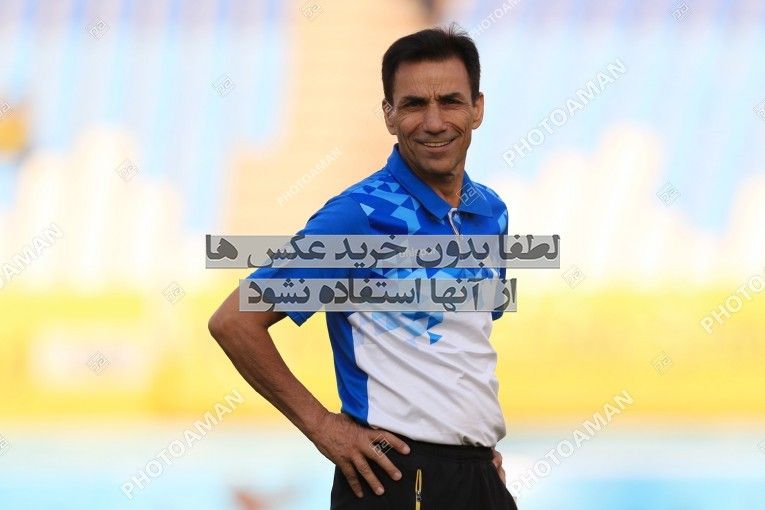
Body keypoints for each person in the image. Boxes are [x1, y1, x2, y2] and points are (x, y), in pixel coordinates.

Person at [209, 26, 517, 509]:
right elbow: (234, 322)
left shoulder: (491, 212)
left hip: (479, 478)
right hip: (397, 479)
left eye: (450, 101)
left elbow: (464, 345)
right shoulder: (359, 216)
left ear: (477, 108)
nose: (434, 121)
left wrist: (476, 449)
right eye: (414, 104)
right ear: (389, 115)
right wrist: (322, 427)